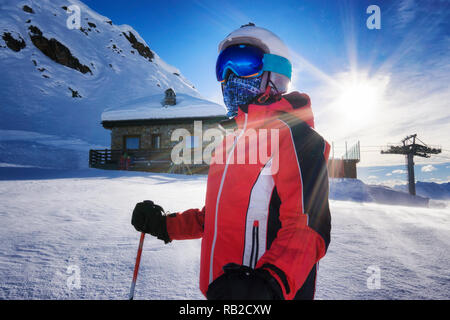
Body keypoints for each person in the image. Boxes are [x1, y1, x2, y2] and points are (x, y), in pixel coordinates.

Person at [131, 24, 331, 300]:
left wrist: (268, 284)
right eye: (223, 67)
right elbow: (212, 218)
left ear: (276, 74)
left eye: (244, 63)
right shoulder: (229, 143)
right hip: (218, 293)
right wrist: (163, 225)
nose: (230, 76)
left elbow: (308, 228)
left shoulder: (298, 138)